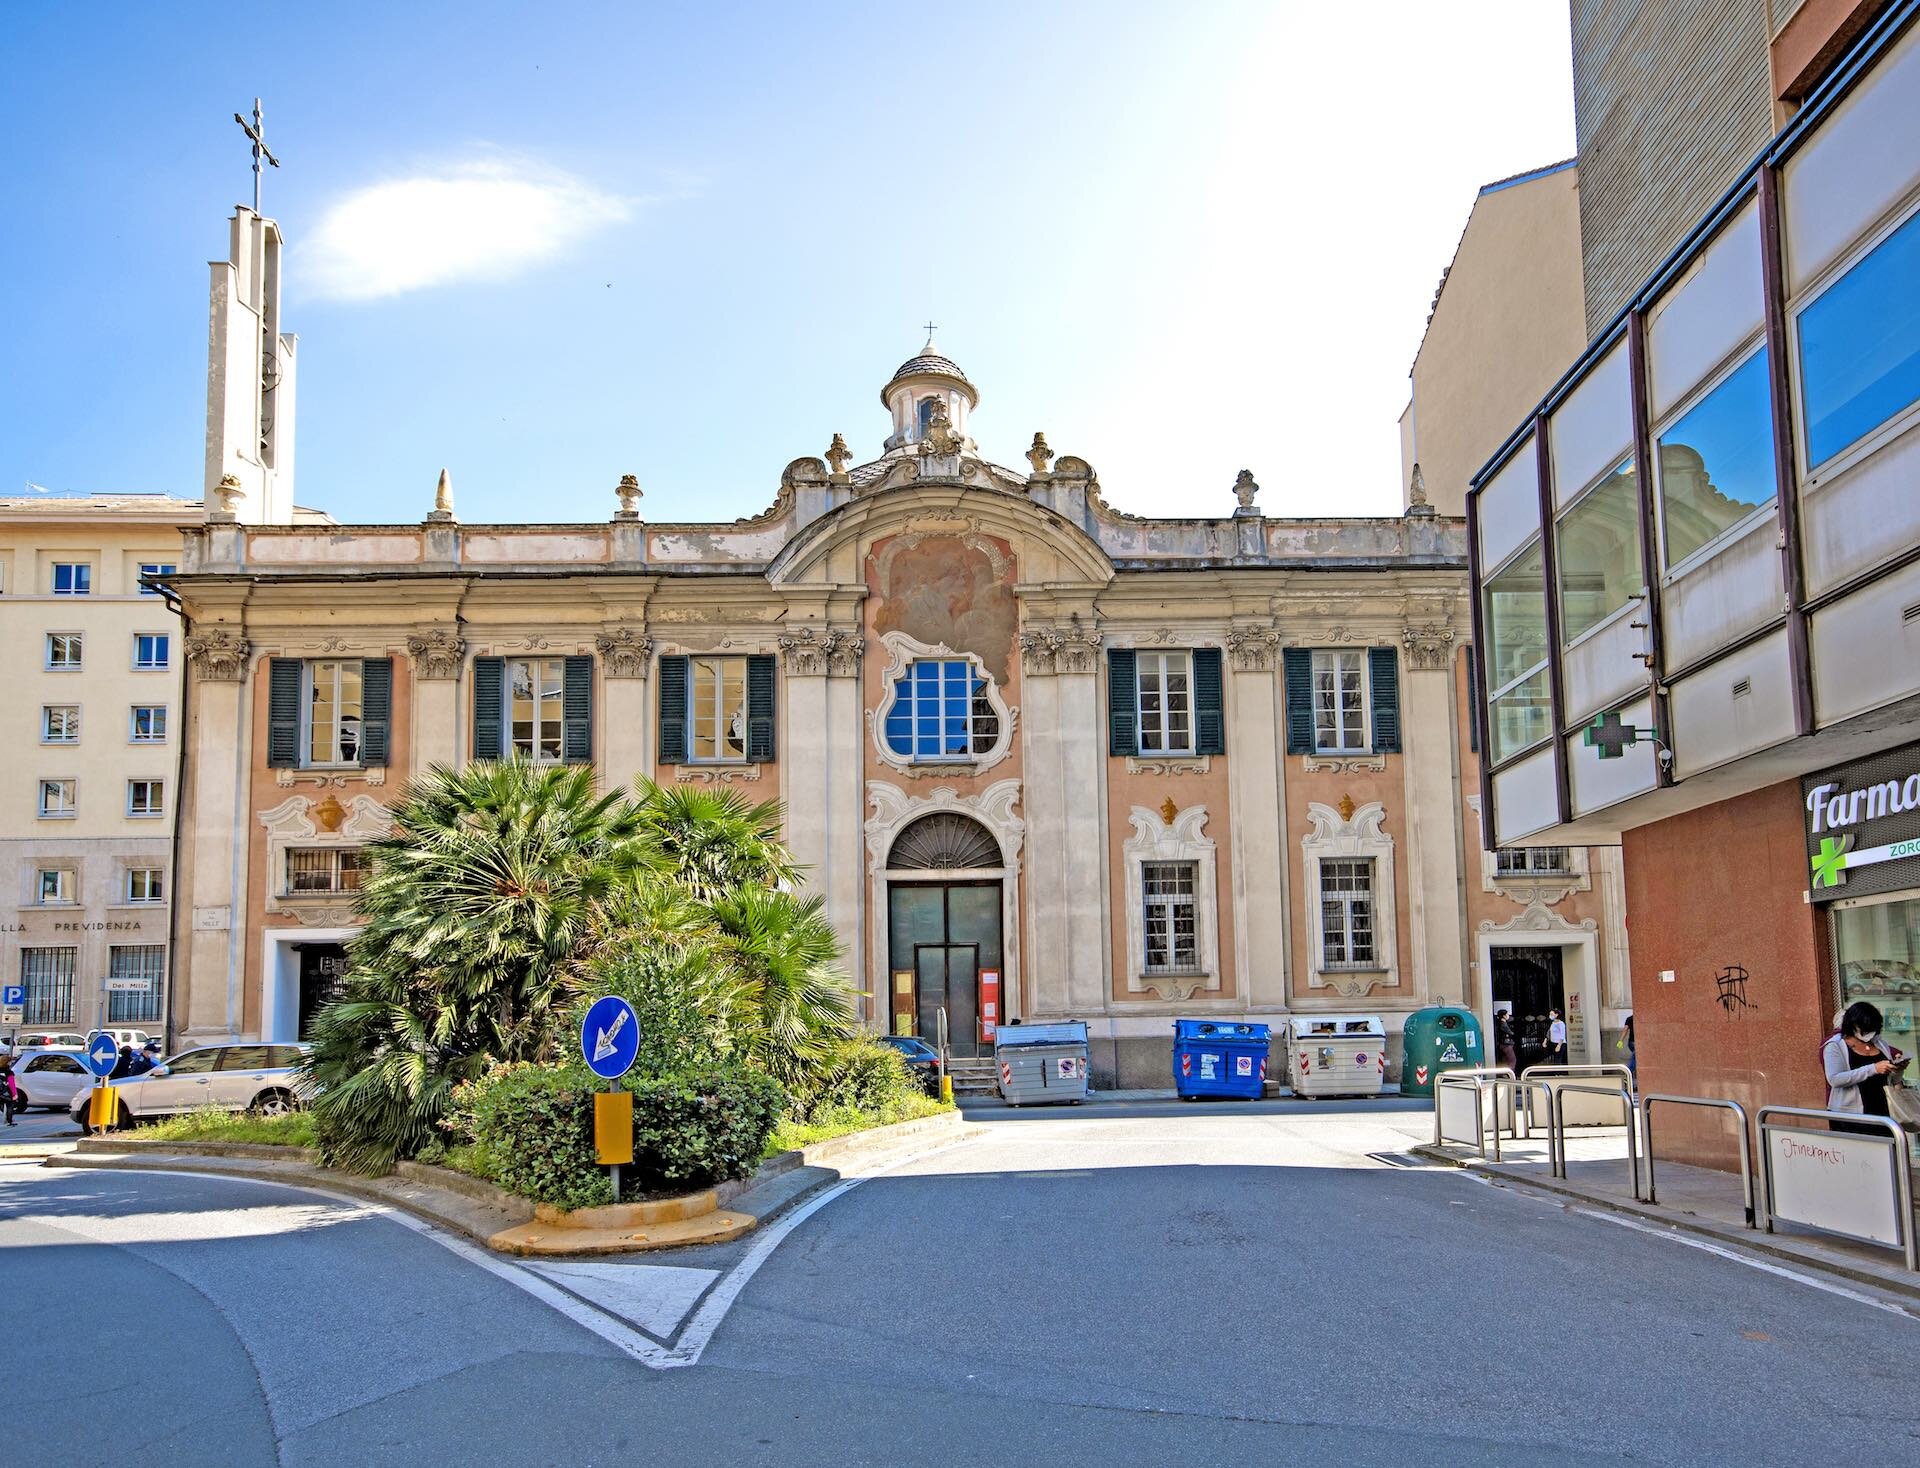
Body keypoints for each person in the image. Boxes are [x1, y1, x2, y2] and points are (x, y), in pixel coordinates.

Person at [1824, 1001, 1899, 1135]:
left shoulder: (1880, 1044)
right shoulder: (1835, 1046)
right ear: (1853, 1025)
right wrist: (1873, 1069)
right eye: (1866, 1028)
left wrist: (1898, 1069)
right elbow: (1835, 1079)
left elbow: (1891, 1079)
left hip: (1883, 1112)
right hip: (1851, 1115)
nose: (1870, 1033)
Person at [0, 1054, 20, 1126]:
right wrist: (15, 1094)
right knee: (10, 1106)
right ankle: (9, 1121)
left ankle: (5, 1116)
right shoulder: (9, 1072)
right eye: (10, 1062)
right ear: (7, 1062)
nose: (11, 1063)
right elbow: (12, 1084)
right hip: (7, 1092)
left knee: (2, 1105)